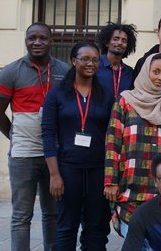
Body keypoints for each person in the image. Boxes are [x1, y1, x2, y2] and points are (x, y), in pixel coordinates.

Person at [0, 22, 68, 250]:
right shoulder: (10, 72)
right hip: (23, 155)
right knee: (21, 215)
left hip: (54, 155)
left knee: (52, 212)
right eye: (31, 38)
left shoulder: (64, 71)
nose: (37, 42)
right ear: (25, 40)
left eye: (42, 38)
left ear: (51, 41)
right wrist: (15, 136)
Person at [41, 42, 114, 249]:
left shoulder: (106, 95)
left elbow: (113, 134)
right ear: (74, 61)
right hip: (67, 170)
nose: (90, 64)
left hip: (98, 170)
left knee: (96, 228)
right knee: (66, 227)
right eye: (84, 59)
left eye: (94, 60)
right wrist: (54, 175)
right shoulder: (56, 95)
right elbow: (47, 135)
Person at [104, 53, 161, 239]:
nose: (160, 78)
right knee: (134, 241)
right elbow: (112, 143)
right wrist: (110, 181)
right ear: (144, 72)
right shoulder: (125, 101)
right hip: (129, 187)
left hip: (159, 187)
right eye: (155, 71)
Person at [95, 22, 136, 99]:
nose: (120, 43)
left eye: (124, 41)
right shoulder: (95, 65)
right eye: (116, 39)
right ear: (107, 42)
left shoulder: (129, 72)